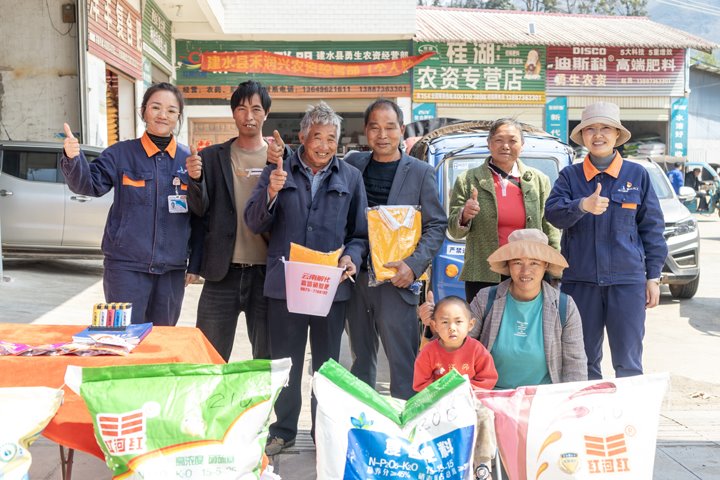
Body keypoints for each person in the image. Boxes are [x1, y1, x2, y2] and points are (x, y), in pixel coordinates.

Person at [244, 102, 368, 456]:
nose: (325, 145)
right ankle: (282, 431)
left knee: (327, 365)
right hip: (286, 287)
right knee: (286, 362)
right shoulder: (278, 170)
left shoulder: (350, 177)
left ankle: (323, 433)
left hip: (330, 288)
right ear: (302, 137)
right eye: (318, 137)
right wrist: (271, 191)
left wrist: (352, 258)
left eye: (332, 138)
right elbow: (254, 222)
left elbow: (360, 233)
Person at [545, 102, 667, 380]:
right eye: (590, 129)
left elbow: (652, 229)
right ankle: (588, 421)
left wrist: (654, 277)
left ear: (616, 135)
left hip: (627, 282)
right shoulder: (569, 176)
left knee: (629, 361)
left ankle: (629, 421)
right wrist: (582, 206)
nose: (597, 135)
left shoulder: (637, 175)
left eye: (605, 129)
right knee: (583, 360)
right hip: (581, 282)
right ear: (583, 136)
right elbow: (552, 214)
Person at [61, 82, 198, 326]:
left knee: (161, 341)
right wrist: (74, 158)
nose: (162, 115)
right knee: (121, 337)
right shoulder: (120, 154)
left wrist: (195, 262)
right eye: (155, 107)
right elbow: (88, 185)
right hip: (125, 268)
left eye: (170, 110)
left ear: (178, 116)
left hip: (171, 270)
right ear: (143, 110)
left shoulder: (190, 160)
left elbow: (201, 215)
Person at [345, 99, 447, 401]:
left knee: (402, 364)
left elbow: (436, 225)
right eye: (375, 127)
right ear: (366, 131)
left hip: (397, 281)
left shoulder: (420, 172)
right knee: (360, 361)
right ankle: (366, 426)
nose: (382, 134)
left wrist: (413, 266)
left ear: (401, 130)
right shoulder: (352, 165)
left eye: (390, 127)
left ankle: (406, 430)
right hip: (358, 281)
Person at [186, 80, 286, 362]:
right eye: (242, 109)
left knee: (266, 361)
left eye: (256, 109)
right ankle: (212, 408)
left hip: (267, 276)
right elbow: (198, 211)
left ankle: (262, 408)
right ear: (233, 113)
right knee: (208, 359)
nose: (249, 116)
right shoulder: (210, 158)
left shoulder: (282, 159)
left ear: (266, 113)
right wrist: (194, 180)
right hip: (221, 274)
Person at [419, 229, 587, 389]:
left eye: (534, 263)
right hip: (490, 395)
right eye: (517, 262)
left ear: (545, 265)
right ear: (508, 265)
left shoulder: (564, 306)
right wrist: (435, 324)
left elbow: (575, 366)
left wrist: (571, 407)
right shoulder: (486, 298)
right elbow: (457, 342)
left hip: (542, 398)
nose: (525, 270)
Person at [447, 118, 559, 303]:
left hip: (528, 270)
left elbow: (550, 226)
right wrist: (464, 215)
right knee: (483, 328)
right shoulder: (468, 179)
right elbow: (454, 230)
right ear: (489, 144)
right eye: (499, 140)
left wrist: (554, 269)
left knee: (525, 325)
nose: (505, 146)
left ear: (522, 145)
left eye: (512, 140)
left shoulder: (539, 180)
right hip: (483, 271)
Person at [413, 296, 498, 479]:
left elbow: (488, 378)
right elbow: (421, 384)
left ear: (470, 324)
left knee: (485, 413)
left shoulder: (476, 349)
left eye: (458, 322)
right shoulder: (428, 351)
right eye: (444, 322)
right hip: (438, 403)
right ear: (434, 326)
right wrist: (441, 395)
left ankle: (482, 464)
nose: (452, 327)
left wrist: (467, 392)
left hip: (470, 401)